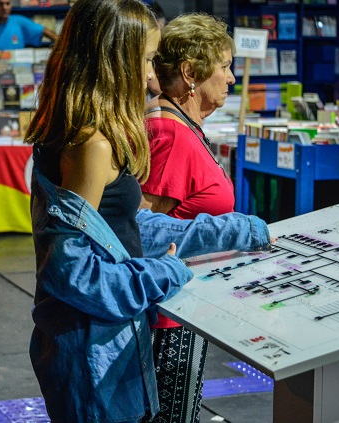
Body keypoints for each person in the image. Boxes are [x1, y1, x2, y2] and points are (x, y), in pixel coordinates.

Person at [24, 1, 271, 422]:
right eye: (145, 60)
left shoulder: (85, 131)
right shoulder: (91, 144)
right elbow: (71, 271)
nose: (152, 74)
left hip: (105, 347)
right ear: (114, 60)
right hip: (93, 355)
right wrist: (164, 274)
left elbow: (124, 230)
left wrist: (232, 231)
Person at [140, 13, 237, 423]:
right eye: (225, 67)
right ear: (190, 73)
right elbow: (142, 228)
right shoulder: (171, 134)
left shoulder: (183, 126)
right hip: (169, 316)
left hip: (183, 307)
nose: (231, 78)